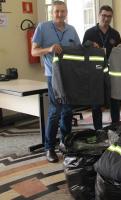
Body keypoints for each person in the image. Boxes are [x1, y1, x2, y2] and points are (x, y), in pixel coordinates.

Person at [31, 1, 81, 163]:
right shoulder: (43, 28)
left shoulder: (72, 30)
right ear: (51, 13)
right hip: (53, 76)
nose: (60, 14)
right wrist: (49, 49)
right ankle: (49, 148)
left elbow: (79, 51)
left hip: (69, 76)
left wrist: (90, 46)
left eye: (63, 11)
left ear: (66, 12)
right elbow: (34, 51)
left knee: (67, 111)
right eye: (57, 11)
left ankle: (65, 143)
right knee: (55, 112)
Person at [83, 5, 121, 130]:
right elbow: (83, 51)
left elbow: (119, 52)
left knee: (114, 102)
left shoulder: (115, 34)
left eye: (109, 16)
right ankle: (98, 130)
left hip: (112, 72)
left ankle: (115, 128)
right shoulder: (89, 33)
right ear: (99, 15)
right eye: (104, 15)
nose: (106, 19)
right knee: (96, 103)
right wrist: (90, 45)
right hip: (96, 72)